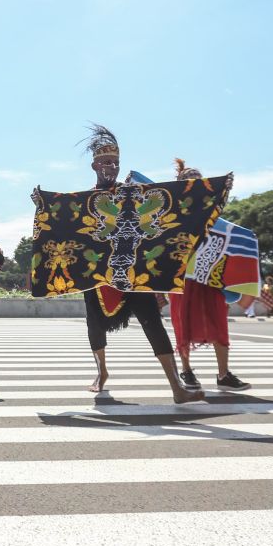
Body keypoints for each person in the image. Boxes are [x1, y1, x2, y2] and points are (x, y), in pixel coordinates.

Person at [77, 126, 203, 404]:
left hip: (133, 271)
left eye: (116, 162)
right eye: (106, 162)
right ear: (94, 165)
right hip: (99, 274)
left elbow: (168, 210)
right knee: (94, 324)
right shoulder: (83, 200)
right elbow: (67, 227)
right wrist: (42, 205)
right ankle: (102, 371)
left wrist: (207, 193)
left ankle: (176, 386)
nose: (112, 167)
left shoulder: (133, 193)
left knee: (152, 322)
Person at [167, 159, 250, 392]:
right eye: (188, 180)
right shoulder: (172, 212)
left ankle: (224, 374)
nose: (194, 183)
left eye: (198, 179)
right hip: (181, 276)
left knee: (218, 321)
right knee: (182, 323)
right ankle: (186, 371)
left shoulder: (212, 211)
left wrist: (226, 188)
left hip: (210, 274)